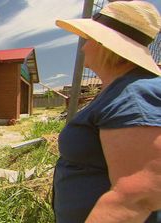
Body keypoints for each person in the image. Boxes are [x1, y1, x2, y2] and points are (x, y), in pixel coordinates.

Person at [53, 1, 161, 223]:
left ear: (105, 45)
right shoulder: (121, 90)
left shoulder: (132, 95)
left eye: (89, 39)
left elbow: (136, 195)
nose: (83, 47)